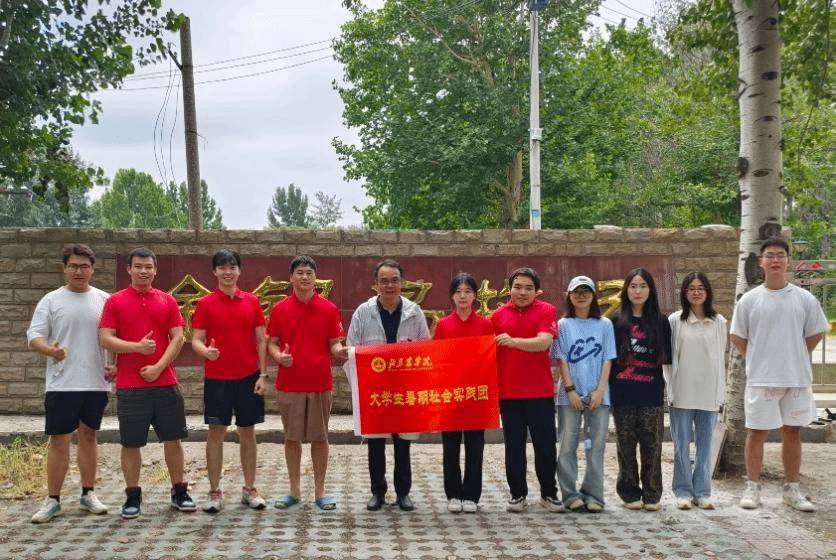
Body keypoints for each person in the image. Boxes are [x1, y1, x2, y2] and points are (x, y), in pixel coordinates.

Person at [730, 237, 828, 512]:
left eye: (780, 255)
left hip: (796, 378)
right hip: (761, 379)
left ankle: (791, 489)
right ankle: (752, 487)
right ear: (761, 262)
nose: (775, 260)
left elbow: (816, 332)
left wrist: (795, 354)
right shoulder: (749, 300)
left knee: (792, 431)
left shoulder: (804, 299)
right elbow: (738, 336)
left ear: (788, 261)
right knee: (756, 432)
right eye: (770, 255)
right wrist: (758, 358)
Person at [99, 247, 194, 519]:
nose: (143, 271)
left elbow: (178, 337)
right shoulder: (115, 301)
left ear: (155, 270)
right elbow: (106, 338)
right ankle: (132, 496)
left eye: (148, 267)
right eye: (138, 266)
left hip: (165, 383)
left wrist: (158, 367)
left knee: (173, 438)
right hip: (130, 385)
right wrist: (137, 347)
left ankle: (179, 491)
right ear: (128, 269)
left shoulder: (167, 300)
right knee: (131, 443)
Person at [27, 244, 113, 523]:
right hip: (62, 383)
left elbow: (115, 337)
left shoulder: (104, 300)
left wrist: (116, 365)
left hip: (95, 382)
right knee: (59, 439)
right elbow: (35, 336)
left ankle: (88, 494)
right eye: (73, 266)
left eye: (84, 266)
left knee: (89, 436)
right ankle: (53, 499)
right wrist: (50, 351)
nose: (79, 271)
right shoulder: (51, 300)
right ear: (64, 269)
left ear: (93, 269)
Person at [346, 258, 431, 512]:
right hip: (376, 390)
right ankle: (377, 492)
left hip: (404, 389)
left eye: (394, 280)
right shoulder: (363, 312)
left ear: (402, 283)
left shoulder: (414, 312)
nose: (390, 286)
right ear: (376, 284)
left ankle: (403, 493)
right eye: (384, 281)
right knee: (375, 443)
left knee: (403, 443)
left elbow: (426, 349)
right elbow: (351, 348)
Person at [267, 255, 348, 511]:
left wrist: (340, 351)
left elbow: (334, 342)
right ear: (291, 277)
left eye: (309, 273)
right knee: (292, 439)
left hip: (319, 383)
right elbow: (271, 342)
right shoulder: (280, 309)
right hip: (289, 384)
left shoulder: (328, 309)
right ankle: (294, 491)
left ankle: (320, 492)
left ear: (315, 278)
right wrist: (279, 356)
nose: (304, 277)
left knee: (320, 438)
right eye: (299, 272)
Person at [191, 249, 268, 513]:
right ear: (214, 272)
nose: (227, 272)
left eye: (232, 267)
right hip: (217, 379)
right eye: (222, 267)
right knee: (216, 432)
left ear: (239, 270)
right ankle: (214, 491)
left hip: (248, 378)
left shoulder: (252, 302)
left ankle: (250, 489)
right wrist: (206, 352)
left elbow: (261, 339)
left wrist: (263, 374)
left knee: (248, 432)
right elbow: (196, 340)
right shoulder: (205, 304)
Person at [490, 267, 562, 513]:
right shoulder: (497, 316)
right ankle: (517, 494)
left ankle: (549, 494)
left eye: (529, 288)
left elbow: (543, 342)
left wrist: (513, 342)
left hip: (540, 392)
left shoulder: (546, 310)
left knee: (545, 445)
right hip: (509, 392)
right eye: (517, 287)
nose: (522, 292)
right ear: (509, 289)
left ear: (536, 291)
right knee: (514, 447)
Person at [552, 275, 616, 513]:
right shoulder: (563, 325)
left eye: (586, 291)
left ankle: (594, 494)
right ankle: (570, 494)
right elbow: (561, 360)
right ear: (569, 296)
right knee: (566, 446)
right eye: (576, 292)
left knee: (596, 446)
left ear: (593, 296)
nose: (581, 296)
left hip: (599, 395)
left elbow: (608, 358)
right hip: (568, 395)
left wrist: (600, 390)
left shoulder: (605, 325)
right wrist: (570, 390)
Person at [610, 268, 671, 511]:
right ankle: (629, 493)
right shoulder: (616, 321)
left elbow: (667, 359)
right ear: (626, 290)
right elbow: (609, 360)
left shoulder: (661, 322)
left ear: (650, 290)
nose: (638, 291)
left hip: (651, 393)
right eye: (633, 286)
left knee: (652, 446)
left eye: (643, 286)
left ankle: (652, 494)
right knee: (625, 445)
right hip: (622, 393)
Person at [433, 273, 494, 514]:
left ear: (475, 296)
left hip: (476, 394)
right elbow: (438, 359)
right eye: (458, 292)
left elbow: (489, 359)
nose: (463, 296)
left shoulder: (486, 325)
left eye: (468, 291)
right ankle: (453, 494)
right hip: (451, 394)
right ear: (452, 296)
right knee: (450, 447)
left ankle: (471, 495)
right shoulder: (443, 325)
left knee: (475, 446)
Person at [665, 272, 726, 510]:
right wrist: (671, 387)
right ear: (684, 293)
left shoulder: (718, 322)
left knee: (705, 446)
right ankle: (682, 491)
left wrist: (720, 392)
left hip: (708, 392)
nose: (696, 292)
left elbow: (720, 359)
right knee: (681, 446)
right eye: (691, 288)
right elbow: (668, 360)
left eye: (701, 288)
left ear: (708, 292)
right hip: (682, 391)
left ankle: (702, 491)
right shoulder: (675, 321)